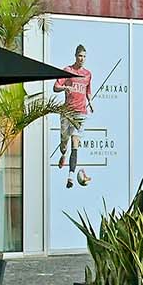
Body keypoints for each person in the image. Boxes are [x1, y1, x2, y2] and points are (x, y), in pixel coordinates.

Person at [54, 44, 93, 187]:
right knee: (64, 142)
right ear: (75, 56)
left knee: (75, 144)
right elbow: (56, 87)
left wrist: (90, 101)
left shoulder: (88, 74)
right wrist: (66, 87)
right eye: (80, 56)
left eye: (84, 56)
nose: (82, 59)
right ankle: (63, 154)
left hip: (81, 112)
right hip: (67, 112)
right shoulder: (67, 70)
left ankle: (70, 177)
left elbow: (88, 90)